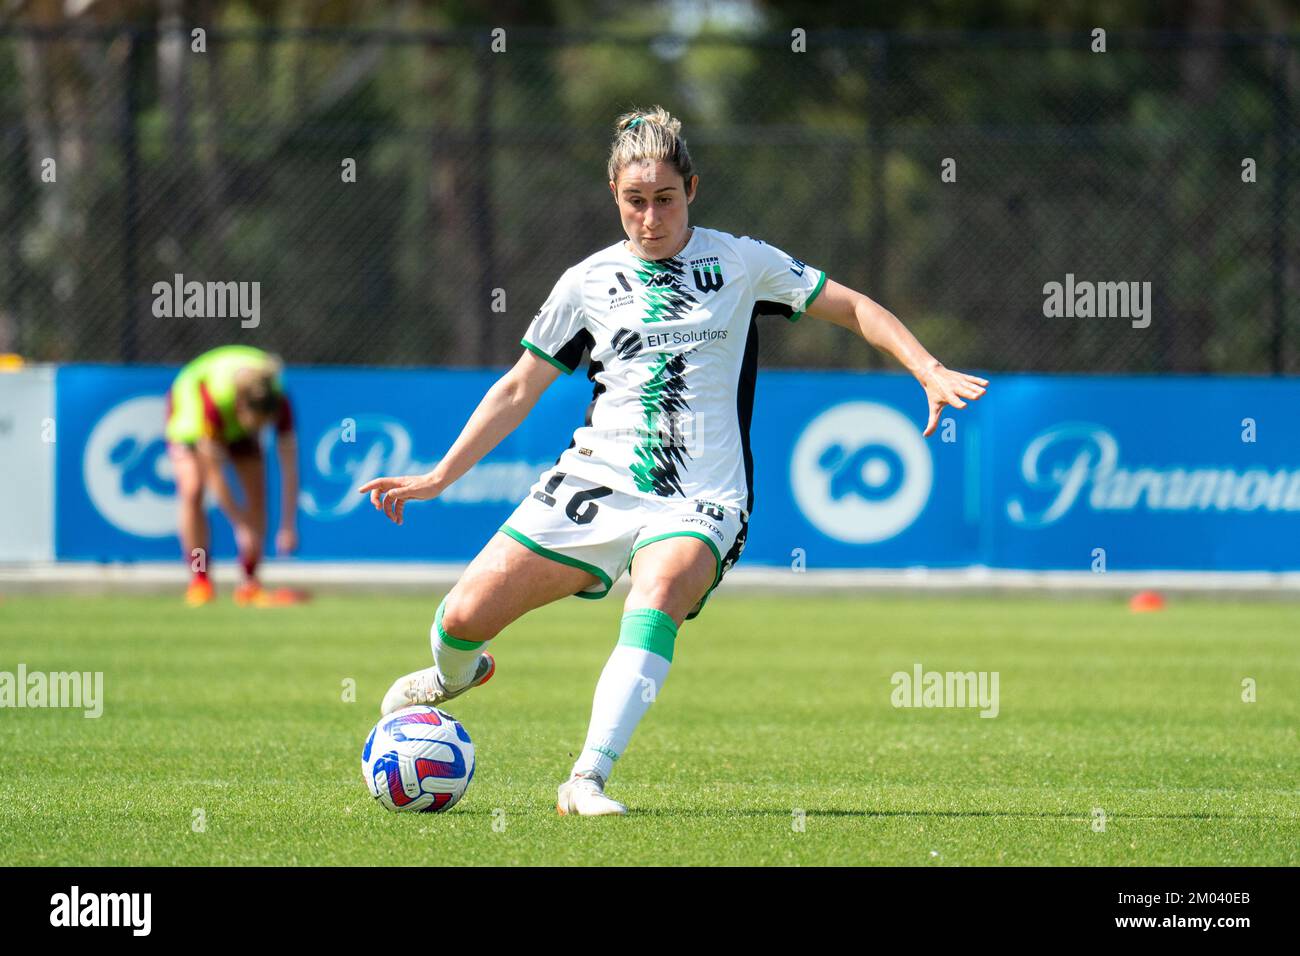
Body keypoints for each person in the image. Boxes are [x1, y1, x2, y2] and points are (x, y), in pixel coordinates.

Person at [359, 106, 988, 815]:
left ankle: (585, 781)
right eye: (635, 201)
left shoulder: (742, 262)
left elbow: (855, 308)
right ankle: (455, 675)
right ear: (614, 198)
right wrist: (440, 475)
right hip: (596, 478)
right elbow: (517, 388)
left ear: (692, 188)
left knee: (655, 596)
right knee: (461, 617)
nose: (650, 217)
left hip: (702, 497)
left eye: (664, 199)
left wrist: (926, 367)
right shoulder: (586, 282)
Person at [165, 344, 300, 606]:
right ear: (240, 407)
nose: (261, 428)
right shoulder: (214, 400)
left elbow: (289, 466)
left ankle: (249, 582)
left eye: (265, 424)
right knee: (193, 490)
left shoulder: (279, 401)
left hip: (236, 423)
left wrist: (288, 525)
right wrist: (240, 524)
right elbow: (214, 474)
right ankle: (200, 579)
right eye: (256, 423)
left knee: (257, 493)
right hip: (189, 409)